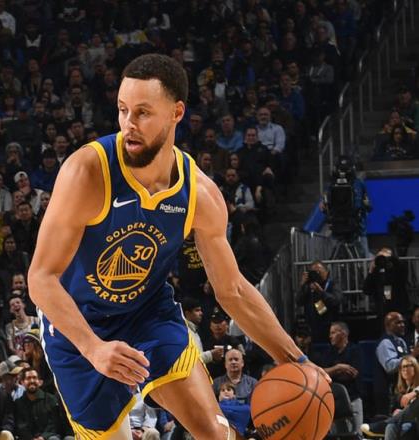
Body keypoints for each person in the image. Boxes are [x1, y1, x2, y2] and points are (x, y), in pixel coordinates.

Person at [28, 53, 328, 440]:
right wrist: (94, 347)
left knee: (214, 433)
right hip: (77, 327)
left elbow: (233, 290)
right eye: (122, 110)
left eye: (142, 113)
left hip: (147, 314)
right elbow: (41, 279)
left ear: (176, 113)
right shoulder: (87, 173)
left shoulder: (199, 194)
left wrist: (296, 360)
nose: (128, 124)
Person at [296, 260, 341, 343]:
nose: (317, 274)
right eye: (314, 272)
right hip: (311, 326)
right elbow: (298, 301)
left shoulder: (332, 284)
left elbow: (336, 301)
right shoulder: (308, 286)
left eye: (319, 271)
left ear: (327, 272)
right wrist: (302, 285)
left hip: (329, 326)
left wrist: (321, 292)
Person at [374, 312, 410, 415]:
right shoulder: (385, 343)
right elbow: (390, 367)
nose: (402, 325)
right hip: (388, 392)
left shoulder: (401, 341)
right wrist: (411, 356)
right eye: (398, 322)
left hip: (400, 390)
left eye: (403, 322)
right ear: (388, 325)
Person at [14, 368, 61, 440]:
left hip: (48, 437)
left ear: (40, 382)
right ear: (22, 382)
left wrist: (43, 437)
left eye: (34, 378)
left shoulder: (50, 399)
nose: (32, 381)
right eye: (28, 378)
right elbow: (20, 425)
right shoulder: (18, 403)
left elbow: (54, 423)